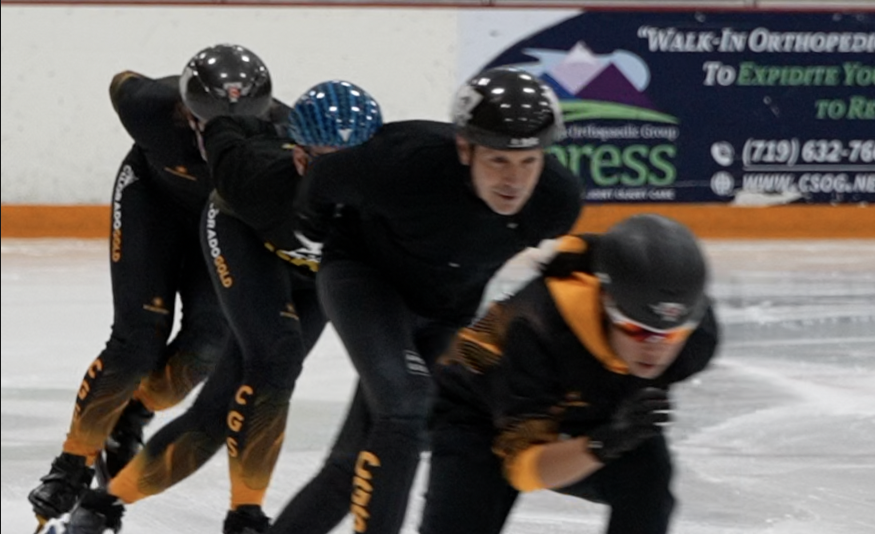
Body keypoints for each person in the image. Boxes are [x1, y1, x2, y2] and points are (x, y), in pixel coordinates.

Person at [41, 81, 384, 534]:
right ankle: (246, 514)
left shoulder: (394, 195)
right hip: (243, 238)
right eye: (326, 166)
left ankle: (104, 503)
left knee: (221, 408)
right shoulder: (252, 176)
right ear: (299, 157)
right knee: (270, 359)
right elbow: (216, 129)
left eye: (357, 168)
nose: (344, 186)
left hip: (318, 274)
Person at [268, 67, 584, 534]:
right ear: (464, 148)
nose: (514, 180)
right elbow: (323, 180)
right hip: (366, 281)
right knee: (407, 406)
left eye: (528, 162)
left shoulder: (555, 201)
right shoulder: (404, 163)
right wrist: (315, 227)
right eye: (498, 160)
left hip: (447, 311)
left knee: (352, 466)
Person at [28, 43, 286, 531]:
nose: (217, 134)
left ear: (266, 115)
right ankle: (72, 462)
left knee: (208, 344)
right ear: (180, 107)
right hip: (152, 202)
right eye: (203, 120)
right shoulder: (146, 106)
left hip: (224, 225)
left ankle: (132, 415)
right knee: (136, 338)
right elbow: (121, 79)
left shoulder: (284, 135)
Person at [418, 213, 721, 534]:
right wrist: (602, 444)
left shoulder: (696, 343)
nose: (655, 349)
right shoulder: (537, 325)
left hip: (583, 403)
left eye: (671, 335)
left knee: (649, 474)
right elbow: (523, 468)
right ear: (607, 302)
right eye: (637, 330)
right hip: (480, 409)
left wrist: (613, 437)